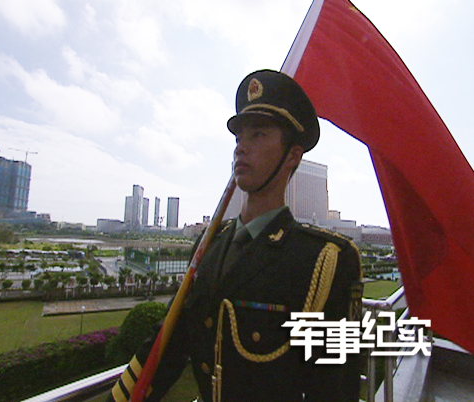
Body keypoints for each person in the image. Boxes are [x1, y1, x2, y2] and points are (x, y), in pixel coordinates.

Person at [110, 70, 363, 402]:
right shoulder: (209, 246)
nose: (241, 148)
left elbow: (335, 388)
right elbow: (166, 345)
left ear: (292, 156)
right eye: (238, 138)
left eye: (258, 134)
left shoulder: (325, 262)